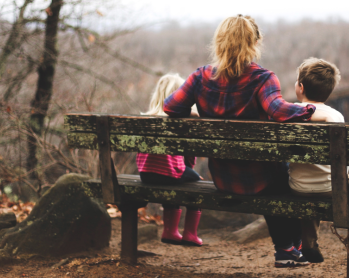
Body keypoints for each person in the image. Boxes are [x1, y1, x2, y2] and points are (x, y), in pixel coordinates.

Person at [164, 15, 331, 267]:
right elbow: (278, 110)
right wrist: (309, 110)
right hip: (261, 179)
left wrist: (196, 113)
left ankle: (289, 249)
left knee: (276, 174)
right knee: (288, 176)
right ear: (254, 43)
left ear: (219, 42)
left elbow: (170, 107)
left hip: (223, 177)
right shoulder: (262, 78)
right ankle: (289, 248)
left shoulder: (200, 77)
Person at [288, 57, 349, 273]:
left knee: (309, 187)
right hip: (332, 187)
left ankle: (309, 244)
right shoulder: (335, 116)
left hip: (297, 187)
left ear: (300, 87)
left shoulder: (289, 113)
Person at [137, 73, 203, 247]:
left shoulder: (146, 118)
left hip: (145, 174)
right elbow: (188, 155)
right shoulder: (180, 120)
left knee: (174, 177)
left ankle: (170, 231)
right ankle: (190, 234)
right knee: (196, 183)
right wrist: (191, 170)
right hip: (168, 173)